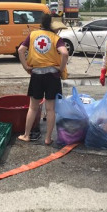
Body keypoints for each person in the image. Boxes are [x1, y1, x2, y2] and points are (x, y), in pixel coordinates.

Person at [17, 14, 69, 145]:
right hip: (52, 76)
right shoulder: (56, 38)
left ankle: (26, 135)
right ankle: (48, 138)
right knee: (50, 109)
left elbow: (20, 50)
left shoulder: (33, 35)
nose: (59, 30)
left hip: (36, 75)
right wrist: (61, 68)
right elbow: (64, 53)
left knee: (33, 107)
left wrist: (25, 66)